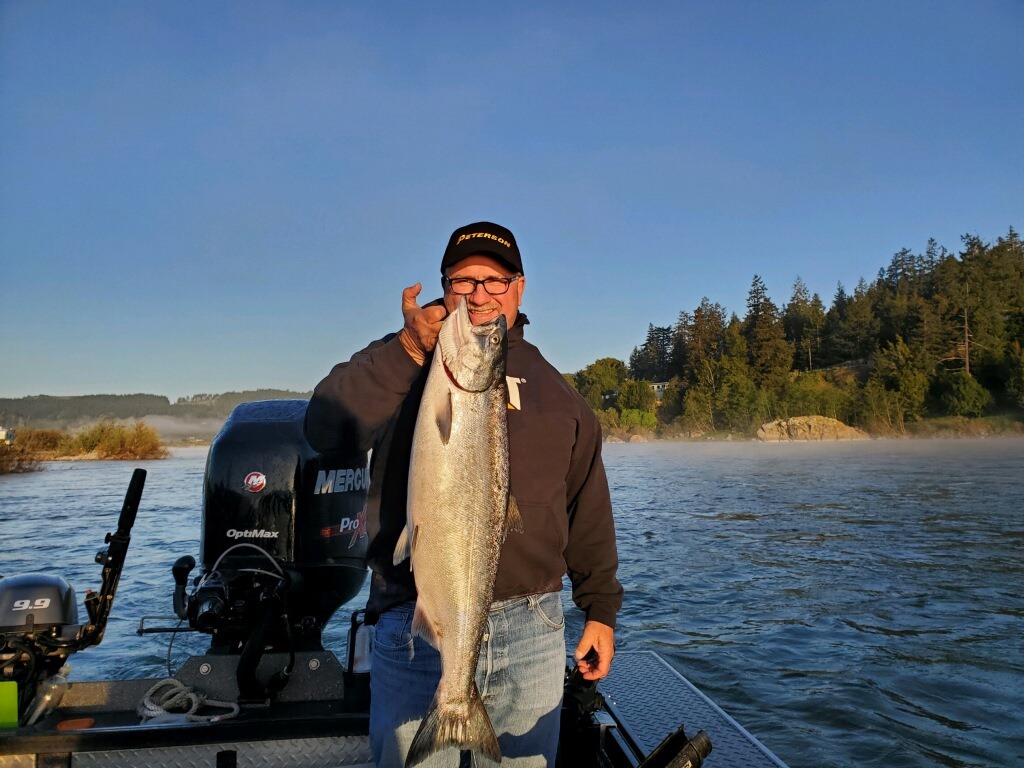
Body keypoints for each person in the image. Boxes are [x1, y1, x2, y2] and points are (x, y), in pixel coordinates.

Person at [304, 221, 622, 767]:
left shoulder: (560, 395)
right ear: (444, 288)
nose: (479, 294)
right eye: (463, 280)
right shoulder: (406, 362)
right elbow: (325, 429)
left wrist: (600, 610)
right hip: (415, 621)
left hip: (533, 628)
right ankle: (453, 699)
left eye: (495, 280)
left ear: (520, 288)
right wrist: (408, 347)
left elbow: (586, 506)